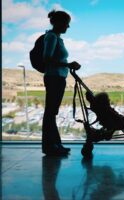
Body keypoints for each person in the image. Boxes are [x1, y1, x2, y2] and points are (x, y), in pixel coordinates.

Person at [42, 10, 81, 156]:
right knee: (50, 113)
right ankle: (51, 146)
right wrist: (68, 64)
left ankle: (55, 144)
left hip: (57, 78)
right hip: (54, 78)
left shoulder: (57, 38)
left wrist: (67, 65)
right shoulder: (51, 37)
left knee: (52, 113)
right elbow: (47, 58)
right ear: (58, 23)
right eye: (66, 23)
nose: (68, 27)